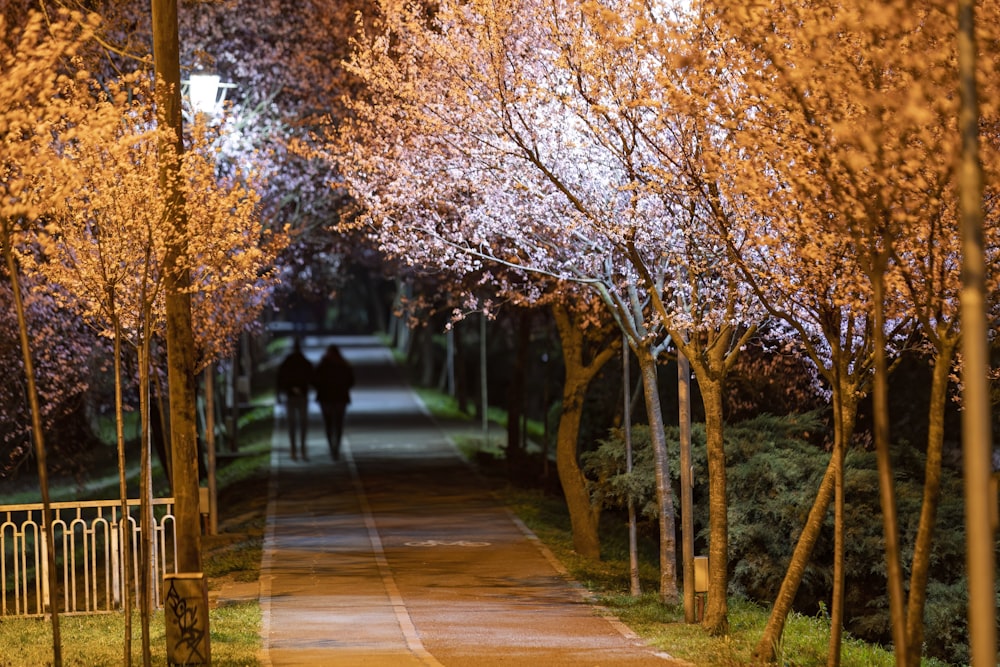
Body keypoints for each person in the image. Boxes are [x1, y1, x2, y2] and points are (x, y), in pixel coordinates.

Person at [312, 344, 354, 460]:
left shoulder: (322, 365)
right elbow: (351, 381)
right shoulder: (344, 365)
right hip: (340, 399)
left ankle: (332, 446)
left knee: (328, 423)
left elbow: (315, 381)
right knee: (339, 424)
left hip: (326, 399)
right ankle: (336, 447)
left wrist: (321, 388)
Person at [276, 338, 313, 461]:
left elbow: (280, 378)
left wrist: (281, 393)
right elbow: (311, 378)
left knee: (292, 425)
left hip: (290, 396)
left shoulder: (288, 362)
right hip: (302, 396)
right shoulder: (305, 361)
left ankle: (294, 450)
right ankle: (302, 450)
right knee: (303, 424)